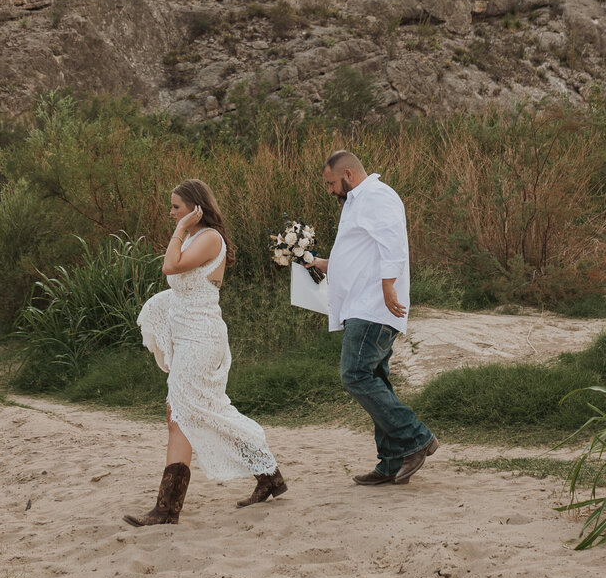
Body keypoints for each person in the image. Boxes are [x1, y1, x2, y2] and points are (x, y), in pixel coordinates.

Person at [125, 178, 286, 526]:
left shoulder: (209, 237)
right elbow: (183, 287)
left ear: (196, 208)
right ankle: (268, 475)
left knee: (180, 413)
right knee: (197, 411)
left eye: (176, 208)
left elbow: (171, 266)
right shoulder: (198, 237)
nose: (171, 214)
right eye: (171, 208)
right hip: (188, 335)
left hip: (201, 339)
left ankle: (167, 509)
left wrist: (180, 230)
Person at [308, 150, 438, 486]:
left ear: (348, 174)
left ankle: (417, 439)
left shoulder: (377, 195)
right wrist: (323, 264)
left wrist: (389, 286)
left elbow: (393, 241)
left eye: (331, 183)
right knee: (374, 378)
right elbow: (360, 250)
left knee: (354, 375)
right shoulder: (356, 202)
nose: (330, 190)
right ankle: (392, 461)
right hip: (361, 303)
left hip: (374, 305)